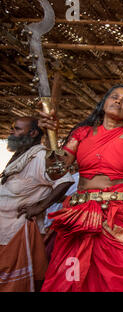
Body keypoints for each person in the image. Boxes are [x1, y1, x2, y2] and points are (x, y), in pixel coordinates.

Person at [37, 84, 123, 292]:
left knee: (122, 281)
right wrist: (49, 136)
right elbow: (57, 171)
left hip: (120, 219)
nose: (118, 101)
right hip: (79, 218)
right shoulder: (82, 134)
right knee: (71, 279)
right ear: (104, 103)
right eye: (114, 97)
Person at [0, 117, 74, 292]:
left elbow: (65, 181)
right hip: (5, 232)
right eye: (13, 128)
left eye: (17, 129)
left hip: (18, 232)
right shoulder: (21, 155)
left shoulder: (41, 156)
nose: (12, 132)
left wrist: (40, 206)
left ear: (32, 133)